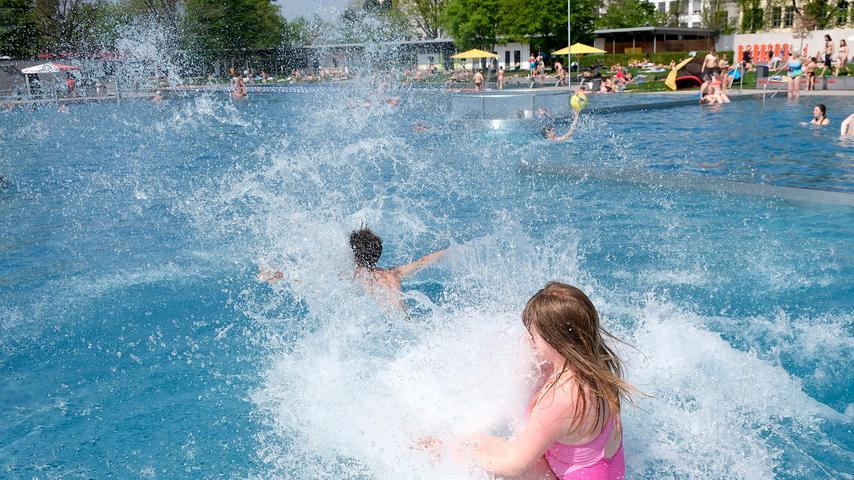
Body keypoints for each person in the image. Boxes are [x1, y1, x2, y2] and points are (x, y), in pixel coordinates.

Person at [424, 282, 635, 480]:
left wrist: (460, 457)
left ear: (554, 340)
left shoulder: (560, 400)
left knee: (472, 452)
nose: (529, 339)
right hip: (605, 467)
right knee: (480, 441)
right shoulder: (595, 362)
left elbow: (514, 464)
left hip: (575, 476)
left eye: (534, 335)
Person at [259, 228, 447, 309]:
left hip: (387, 326)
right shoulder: (393, 272)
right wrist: (450, 251)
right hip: (404, 321)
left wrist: (279, 274)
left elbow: (313, 276)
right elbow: (423, 261)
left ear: (354, 254)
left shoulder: (356, 275)